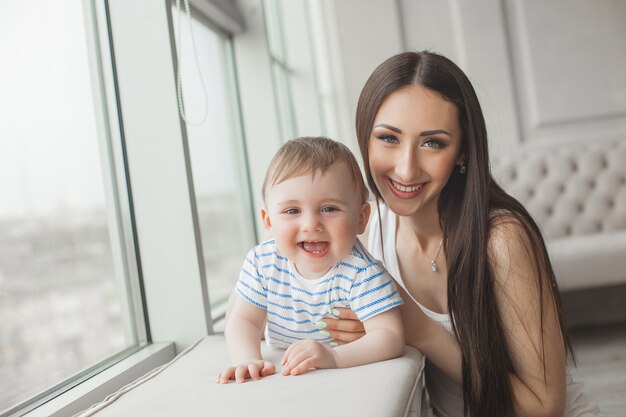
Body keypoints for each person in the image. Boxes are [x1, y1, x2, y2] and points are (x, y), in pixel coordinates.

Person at [317, 51, 603, 416]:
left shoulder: (501, 239)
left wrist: (420, 330)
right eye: (389, 138)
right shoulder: (374, 228)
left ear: (463, 151)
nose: (406, 168)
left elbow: (544, 407)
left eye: (432, 142)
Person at [217, 137, 405, 384]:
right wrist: (247, 358)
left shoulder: (362, 273)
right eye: (292, 211)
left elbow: (390, 335)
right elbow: (244, 320)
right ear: (269, 222)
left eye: (329, 209)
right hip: (284, 363)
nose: (311, 224)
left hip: (336, 367)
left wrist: (334, 357)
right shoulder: (262, 262)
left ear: (361, 218)